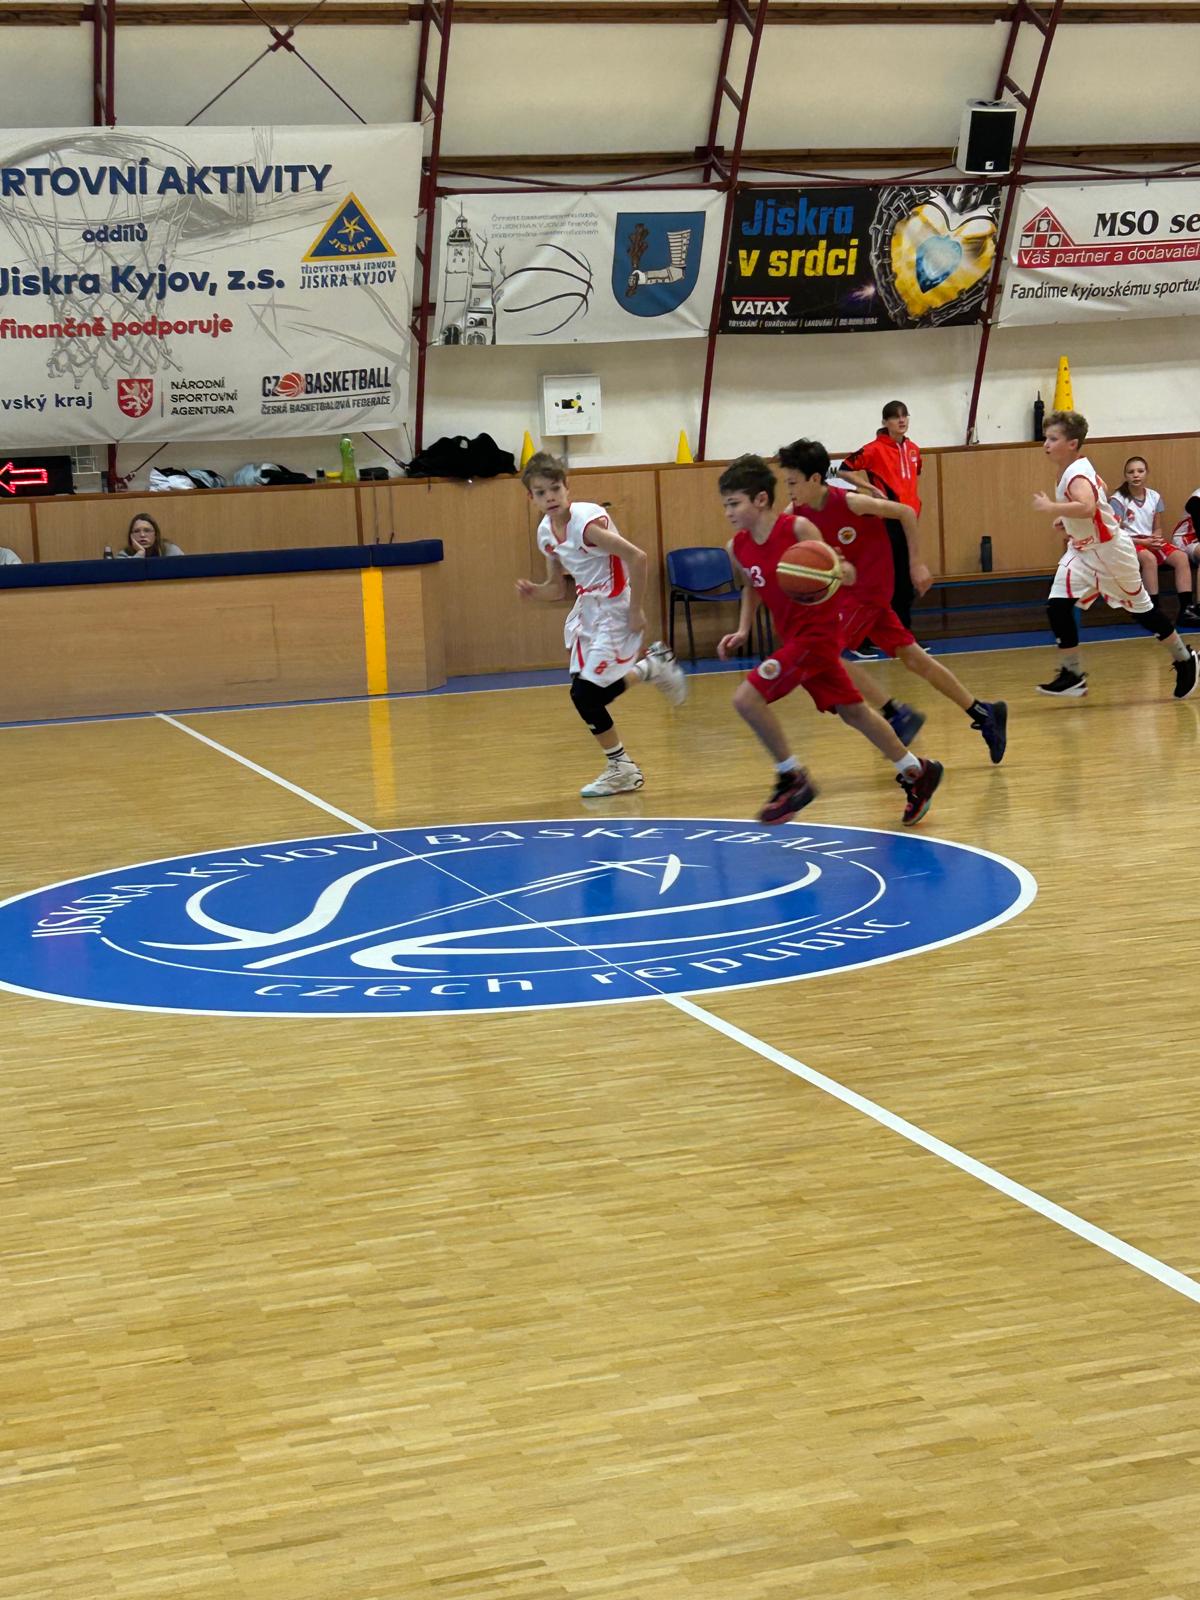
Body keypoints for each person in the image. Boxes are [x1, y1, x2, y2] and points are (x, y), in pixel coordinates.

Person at [715, 453, 942, 827]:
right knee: (855, 713)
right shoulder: (736, 546)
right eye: (725, 505)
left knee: (746, 698)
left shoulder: (798, 529)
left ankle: (792, 776)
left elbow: (834, 568)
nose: (728, 512)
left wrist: (843, 571)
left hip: (817, 635)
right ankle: (918, 771)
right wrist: (743, 629)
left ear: (760, 499)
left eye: (734, 503)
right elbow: (752, 586)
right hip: (794, 638)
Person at [780, 438, 1008, 764]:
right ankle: (984, 712)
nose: (788, 489)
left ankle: (895, 712)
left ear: (815, 479)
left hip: (868, 590)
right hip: (847, 597)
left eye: (792, 483)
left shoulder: (851, 503)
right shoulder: (796, 514)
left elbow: (905, 512)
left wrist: (916, 563)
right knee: (915, 659)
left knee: (823, 650)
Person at [516, 450, 686, 798]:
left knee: (584, 696)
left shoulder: (587, 526)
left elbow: (637, 557)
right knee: (586, 693)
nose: (550, 497)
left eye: (555, 489)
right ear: (531, 497)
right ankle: (651, 667)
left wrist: (636, 610)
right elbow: (556, 588)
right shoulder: (546, 533)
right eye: (541, 492)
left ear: (567, 488)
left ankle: (622, 767)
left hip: (615, 607)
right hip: (588, 610)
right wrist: (536, 591)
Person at [1033, 411, 1198, 700]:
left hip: (1110, 553)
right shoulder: (1076, 467)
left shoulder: (1076, 475)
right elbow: (1101, 493)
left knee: (1142, 612)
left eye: (1053, 438)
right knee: (1057, 606)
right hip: (1083, 550)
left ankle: (1185, 659)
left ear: (1072, 444)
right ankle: (1072, 674)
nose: (1046, 444)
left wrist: (1054, 508)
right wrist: (1069, 521)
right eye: (1046, 438)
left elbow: (1087, 506)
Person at [840, 400, 922, 628]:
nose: (901, 420)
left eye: (905, 415)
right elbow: (844, 470)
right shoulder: (873, 449)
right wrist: (870, 488)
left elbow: (913, 479)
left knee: (905, 578)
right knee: (889, 579)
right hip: (887, 521)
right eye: (895, 417)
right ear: (885, 422)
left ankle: (903, 633)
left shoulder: (914, 449)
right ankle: (877, 634)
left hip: (909, 521)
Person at [1109, 456, 1200, 630]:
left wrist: (1156, 538)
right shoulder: (1117, 499)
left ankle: (1186, 609)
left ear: (1146, 473)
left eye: (1140, 471)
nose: (1136, 475)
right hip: (1128, 541)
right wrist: (1143, 541)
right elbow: (1115, 533)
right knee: (1149, 559)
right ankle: (1153, 609)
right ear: (1125, 475)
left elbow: (1157, 527)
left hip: (1149, 539)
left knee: (1181, 557)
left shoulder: (1154, 496)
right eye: (1131, 472)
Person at [115, 513, 183, 559]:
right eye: (137, 531)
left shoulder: (170, 550)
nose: (142, 535)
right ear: (131, 536)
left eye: (147, 530)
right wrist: (140, 553)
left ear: (155, 534)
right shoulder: (124, 555)